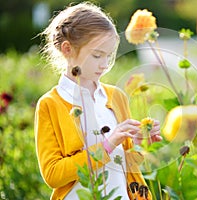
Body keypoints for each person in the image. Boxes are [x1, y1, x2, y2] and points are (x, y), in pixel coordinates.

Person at [34, 2, 162, 200]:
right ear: (67, 49)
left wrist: (139, 144)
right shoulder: (50, 104)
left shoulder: (116, 97)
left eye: (109, 56)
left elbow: (125, 166)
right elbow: (52, 175)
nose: (104, 65)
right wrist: (108, 145)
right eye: (97, 55)